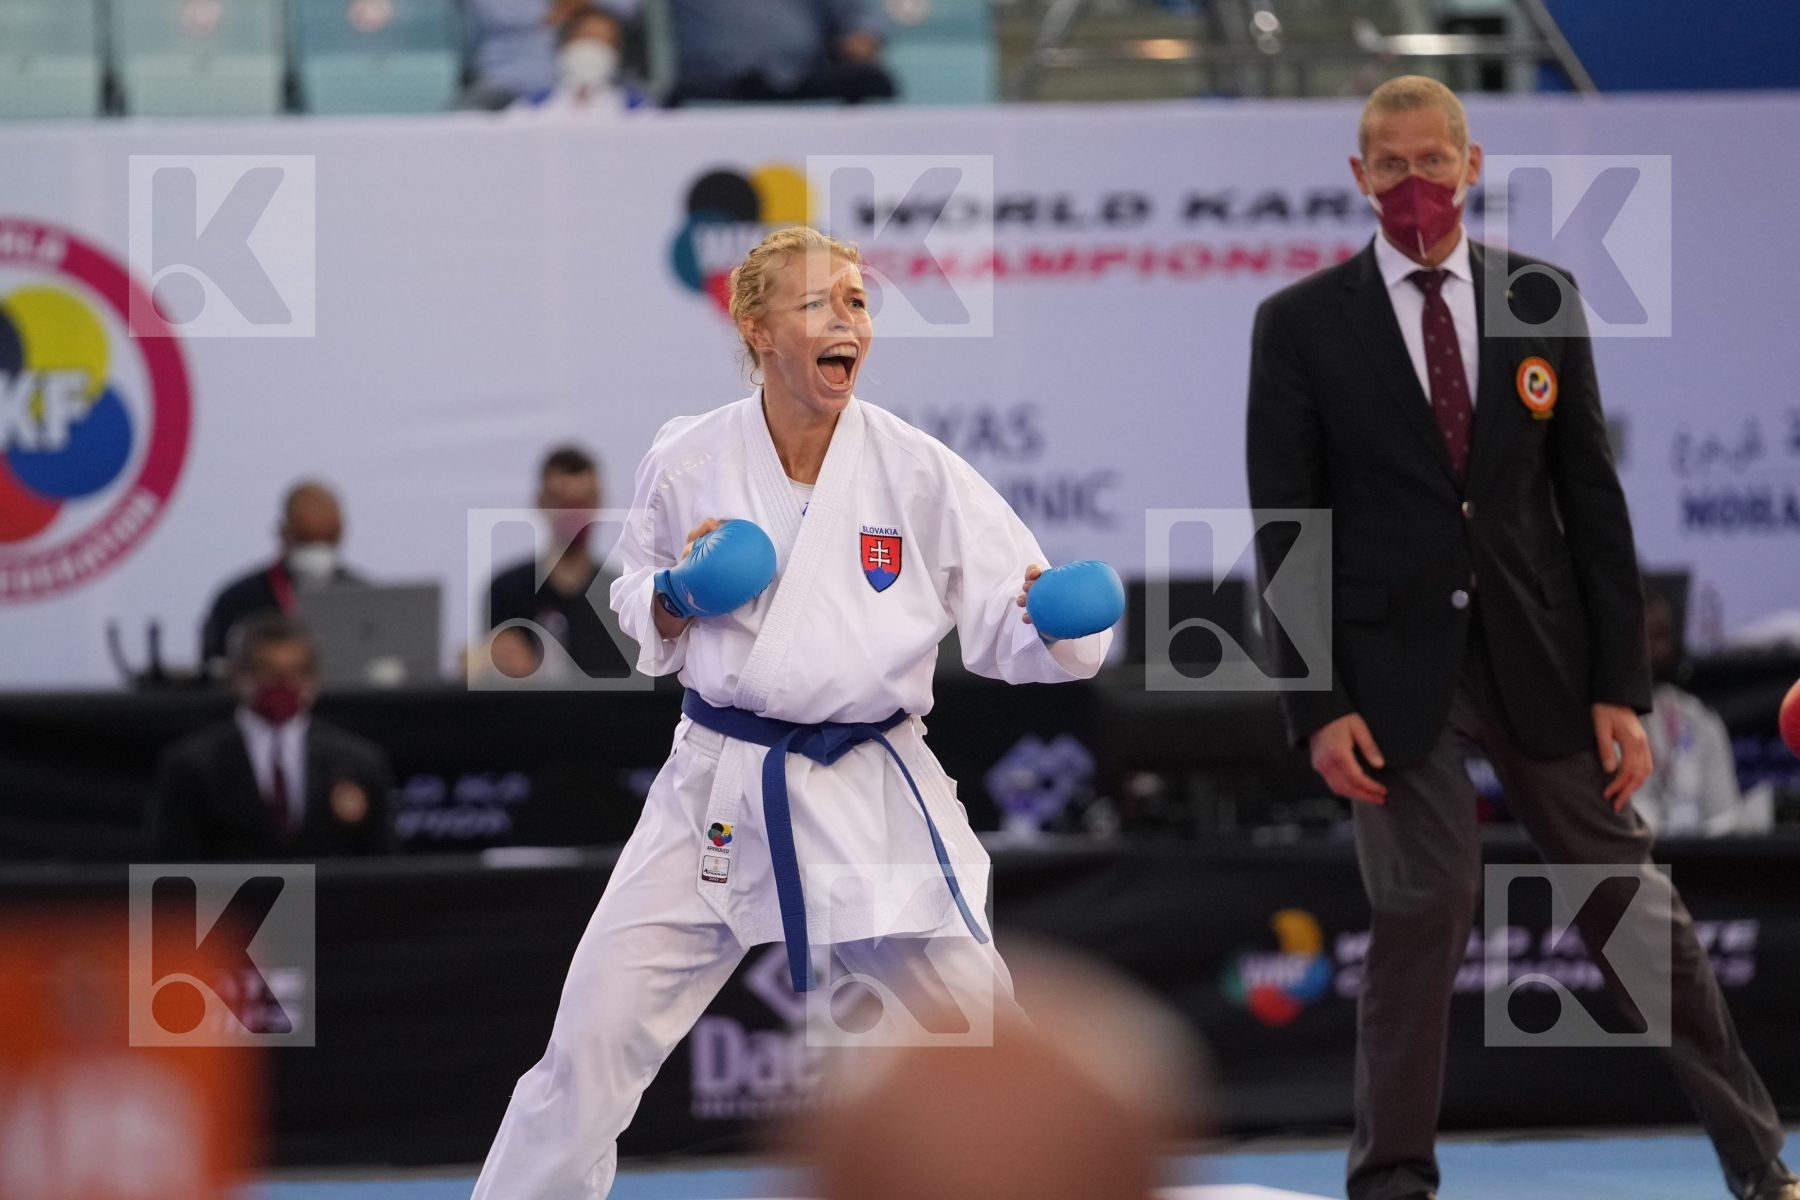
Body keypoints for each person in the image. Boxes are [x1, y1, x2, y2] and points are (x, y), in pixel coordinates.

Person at [470, 226, 1117, 1200]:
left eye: (858, 303)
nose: (848, 320)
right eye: (822, 303)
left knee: (984, 1042)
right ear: (757, 325)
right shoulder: (689, 459)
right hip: (717, 788)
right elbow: (635, 599)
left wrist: (1052, 619)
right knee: (592, 1042)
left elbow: (1006, 621)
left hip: (871, 787)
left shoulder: (919, 471)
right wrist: (679, 596)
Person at [1245, 76, 1794, 1200]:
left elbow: (1591, 505)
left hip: (1542, 658)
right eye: (1388, 166)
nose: (1412, 185)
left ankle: (1758, 1161)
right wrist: (1317, 705)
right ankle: (1393, 1180)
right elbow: (1286, 526)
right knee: (1419, 907)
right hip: (1387, 676)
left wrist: (1622, 690)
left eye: (1431, 161)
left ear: (1471, 162)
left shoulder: (1541, 298)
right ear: (1358, 179)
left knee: (1631, 908)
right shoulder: (1299, 324)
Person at [150, 614, 394, 859]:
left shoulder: (359, 764)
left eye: (297, 672)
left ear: (315, 679)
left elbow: (383, 870)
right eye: (268, 671)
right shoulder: (193, 766)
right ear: (238, 675)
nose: (284, 684)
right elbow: (173, 872)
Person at [483, 444, 630, 680]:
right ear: (541, 502)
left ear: (599, 502)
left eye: (583, 501)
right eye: (562, 502)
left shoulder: (622, 596)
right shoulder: (507, 592)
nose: (574, 514)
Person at [1635, 592, 1768, 837]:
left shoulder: (1698, 718)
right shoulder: (1599, 721)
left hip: (1696, 859)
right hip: (1624, 862)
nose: (1657, 648)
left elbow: (1725, 814)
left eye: (1663, 636)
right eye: (1647, 636)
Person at [199, 481, 363, 676]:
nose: (314, 553)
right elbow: (214, 670)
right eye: (304, 537)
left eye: (324, 537)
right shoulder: (237, 600)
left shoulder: (366, 599)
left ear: (339, 532)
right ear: (283, 532)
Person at [662, 0, 895, 106]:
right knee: (680, 93)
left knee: (872, 81)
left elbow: (861, 24)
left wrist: (859, 39)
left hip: (802, 80)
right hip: (715, 86)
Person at [507, 5, 648, 117]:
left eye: (605, 41)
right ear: (564, 44)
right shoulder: (530, 108)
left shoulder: (638, 111)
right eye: (587, 36)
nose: (593, 48)